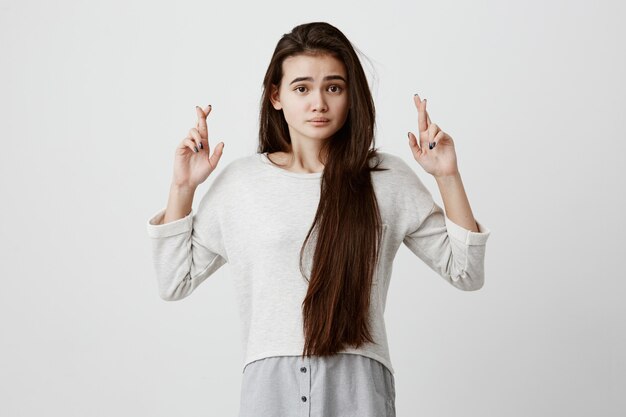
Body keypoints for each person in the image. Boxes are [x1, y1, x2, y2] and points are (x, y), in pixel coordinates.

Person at [146, 21, 491, 417]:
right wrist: (182, 188)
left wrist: (447, 176)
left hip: (357, 383)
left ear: (350, 95)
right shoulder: (242, 183)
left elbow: (467, 272)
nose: (319, 103)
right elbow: (174, 281)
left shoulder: (385, 178)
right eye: (302, 88)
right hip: (270, 386)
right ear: (276, 96)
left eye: (334, 87)